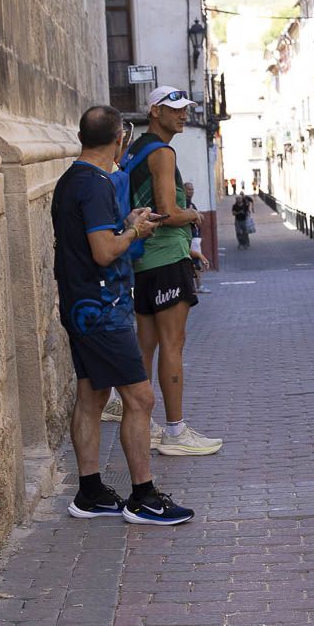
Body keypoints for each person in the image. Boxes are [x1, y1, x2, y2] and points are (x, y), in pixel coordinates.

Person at [53, 105, 193, 525]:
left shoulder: (71, 179)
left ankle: (90, 492)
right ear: (119, 139)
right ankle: (144, 498)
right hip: (102, 310)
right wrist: (136, 231)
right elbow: (103, 251)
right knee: (140, 398)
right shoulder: (95, 184)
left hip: (82, 305)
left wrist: (127, 221)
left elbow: (93, 236)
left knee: (92, 397)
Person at [126, 86, 223, 457]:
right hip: (166, 259)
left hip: (142, 261)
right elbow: (166, 212)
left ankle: (143, 422)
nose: (183, 114)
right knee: (172, 343)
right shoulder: (163, 152)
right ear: (155, 111)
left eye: (186, 108)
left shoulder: (136, 149)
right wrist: (193, 215)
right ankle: (176, 431)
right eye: (175, 108)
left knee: (146, 345)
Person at [184, 182, 210, 294]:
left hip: (195, 236)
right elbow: (196, 219)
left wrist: (197, 215)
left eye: (192, 189)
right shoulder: (185, 203)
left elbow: (199, 218)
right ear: (184, 190)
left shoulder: (191, 204)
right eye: (189, 189)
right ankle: (199, 285)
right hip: (191, 237)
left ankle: (194, 286)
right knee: (195, 261)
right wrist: (197, 216)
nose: (191, 191)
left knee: (194, 261)